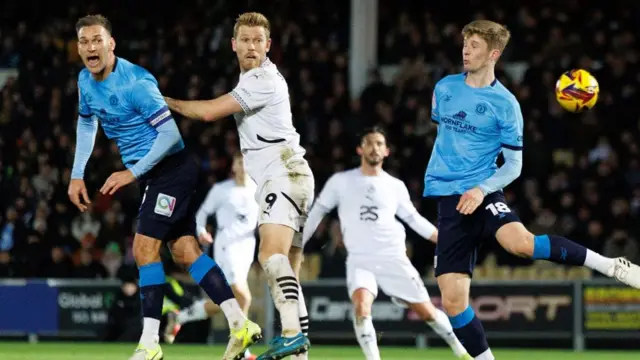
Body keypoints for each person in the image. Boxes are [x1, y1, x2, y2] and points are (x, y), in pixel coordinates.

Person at [424, 20, 640, 360]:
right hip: (449, 202)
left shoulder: (506, 104)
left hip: (483, 194)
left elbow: (513, 166)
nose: (466, 50)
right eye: (465, 44)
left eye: (475, 45)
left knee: (521, 244)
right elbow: (447, 137)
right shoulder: (444, 88)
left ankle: (610, 265)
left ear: (493, 53)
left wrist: (480, 190)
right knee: (453, 303)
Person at [69, 14, 261, 360]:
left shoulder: (137, 82)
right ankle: (239, 322)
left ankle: (150, 343)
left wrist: (130, 174)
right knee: (185, 252)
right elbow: (86, 124)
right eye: (84, 41)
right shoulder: (85, 81)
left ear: (111, 44)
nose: (91, 47)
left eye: (97, 39)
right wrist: (76, 174)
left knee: (144, 248)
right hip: (157, 175)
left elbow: (171, 135)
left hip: (171, 169)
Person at [164, 12, 312, 360]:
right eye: (245, 40)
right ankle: (299, 354)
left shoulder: (262, 79)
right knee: (288, 269)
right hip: (295, 178)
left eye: (258, 40)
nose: (251, 46)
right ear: (233, 45)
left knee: (269, 256)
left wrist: (166, 102)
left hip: (284, 175)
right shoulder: (253, 78)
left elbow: (210, 112)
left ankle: (291, 335)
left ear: (268, 45)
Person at [302, 127, 471, 360]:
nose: (375, 147)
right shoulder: (341, 182)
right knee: (361, 308)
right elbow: (318, 211)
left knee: (428, 314)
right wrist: (298, 244)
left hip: (392, 257)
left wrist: (444, 239)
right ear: (360, 149)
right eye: (370, 143)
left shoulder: (394, 186)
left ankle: (462, 352)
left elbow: (414, 219)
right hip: (360, 259)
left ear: (387, 152)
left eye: (380, 143)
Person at [177, 153, 259, 360]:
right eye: (240, 161)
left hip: (247, 247)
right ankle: (242, 348)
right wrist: (201, 231)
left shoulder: (259, 190)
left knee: (229, 301)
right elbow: (202, 213)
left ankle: (185, 315)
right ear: (233, 165)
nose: (243, 165)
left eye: (247, 161)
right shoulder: (222, 190)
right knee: (243, 296)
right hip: (226, 246)